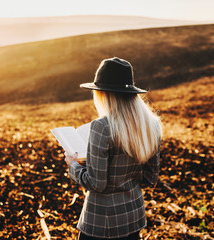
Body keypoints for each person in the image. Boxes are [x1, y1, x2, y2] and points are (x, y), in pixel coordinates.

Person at [64, 57, 162, 240]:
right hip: (133, 217)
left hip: (102, 222)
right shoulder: (152, 125)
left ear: (103, 94)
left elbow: (96, 183)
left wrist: (73, 166)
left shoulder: (102, 127)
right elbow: (151, 177)